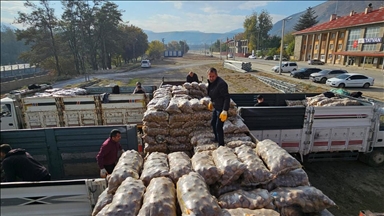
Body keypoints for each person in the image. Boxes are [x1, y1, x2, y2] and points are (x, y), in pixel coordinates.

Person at [207, 67, 230, 146]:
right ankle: (216, 138)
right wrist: (211, 101)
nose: (211, 78)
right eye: (210, 76)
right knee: (213, 123)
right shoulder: (211, 83)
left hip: (221, 108)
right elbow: (212, 93)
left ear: (216, 75)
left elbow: (227, 98)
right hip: (216, 106)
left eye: (213, 76)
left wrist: (225, 110)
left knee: (218, 127)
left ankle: (221, 144)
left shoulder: (221, 84)